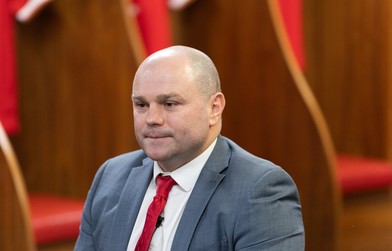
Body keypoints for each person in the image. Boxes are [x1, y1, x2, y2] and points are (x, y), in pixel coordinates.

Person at [75, 45, 304, 251]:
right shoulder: (111, 176)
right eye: (141, 105)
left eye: (170, 104)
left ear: (214, 108)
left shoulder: (260, 190)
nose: (152, 118)